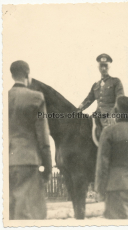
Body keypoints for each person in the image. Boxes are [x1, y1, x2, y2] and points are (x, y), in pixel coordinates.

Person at [9, 60, 52, 219]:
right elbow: (43, 136)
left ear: (12, 75)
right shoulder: (36, 97)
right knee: (31, 214)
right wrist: (47, 167)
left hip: (6, 162)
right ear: (27, 74)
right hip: (28, 161)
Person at [77, 53, 124, 127]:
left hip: (110, 116)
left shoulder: (116, 81)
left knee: (107, 134)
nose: (103, 68)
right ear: (98, 67)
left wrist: (112, 114)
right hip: (97, 115)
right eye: (101, 66)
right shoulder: (96, 85)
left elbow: (120, 99)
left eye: (105, 66)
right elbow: (89, 99)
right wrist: (79, 108)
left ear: (109, 67)